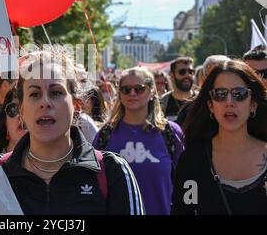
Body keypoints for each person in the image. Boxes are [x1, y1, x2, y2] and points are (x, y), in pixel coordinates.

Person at [0, 48, 144, 214]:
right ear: (21, 109)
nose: (45, 102)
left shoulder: (112, 171)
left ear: (76, 105)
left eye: (56, 92)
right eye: (34, 94)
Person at [171, 60, 267, 214]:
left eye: (239, 94)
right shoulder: (192, 160)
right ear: (210, 105)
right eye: (220, 94)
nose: (229, 102)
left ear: (253, 104)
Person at [93, 67, 184, 215]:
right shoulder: (105, 134)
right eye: (126, 89)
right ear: (119, 93)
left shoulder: (170, 133)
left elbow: (186, 181)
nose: (132, 93)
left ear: (151, 92)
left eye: (139, 89)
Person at [160, 57, 198, 122]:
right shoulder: (162, 103)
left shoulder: (201, 99)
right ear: (172, 75)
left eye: (191, 71)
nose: (187, 75)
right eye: (182, 72)